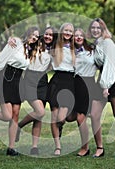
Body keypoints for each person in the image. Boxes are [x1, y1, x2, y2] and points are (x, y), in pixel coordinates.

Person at [0, 26, 40, 156]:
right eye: (33, 35)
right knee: (7, 115)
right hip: (6, 78)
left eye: (37, 37)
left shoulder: (30, 50)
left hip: (19, 81)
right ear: (28, 33)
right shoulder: (15, 42)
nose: (34, 38)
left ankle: (11, 148)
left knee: (15, 115)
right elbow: (1, 58)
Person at [9, 26, 57, 155]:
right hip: (30, 79)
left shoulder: (53, 50)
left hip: (42, 81)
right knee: (40, 112)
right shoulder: (35, 45)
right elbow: (23, 40)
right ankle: (19, 126)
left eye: (51, 35)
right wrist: (11, 39)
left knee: (39, 116)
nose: (48, 37)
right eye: (46, 34)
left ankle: (34, 146)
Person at [87, 18, 115, 158]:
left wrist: (106, 86)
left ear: (103, 29)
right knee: (94, 115)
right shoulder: (96, 44)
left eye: (98, 28)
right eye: (93, 27)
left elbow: (110, 65)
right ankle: (99, 148)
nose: (95, 30)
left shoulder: (108, 43)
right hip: (102, 79)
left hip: (113, 79)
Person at [47, 23, 76, 156]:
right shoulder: (54, 44)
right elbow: (34, 39)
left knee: (61, 118)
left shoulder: (76, 47)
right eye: (66, 30)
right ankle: (57, 146)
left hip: (69, 82)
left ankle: (61, 126)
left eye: (70, 31)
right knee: (54, 116)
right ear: (61, 31)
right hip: (56, 81)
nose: (68, 33)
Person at [72, 28, 97, 157]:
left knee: (84, 116)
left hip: (88, 83)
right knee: (73, 116)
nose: (78, 37)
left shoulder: (92, 50)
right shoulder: (71, 51)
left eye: (81, 35)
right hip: (76, 83)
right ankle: (86, 146)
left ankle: (86, 147)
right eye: (76, 36)